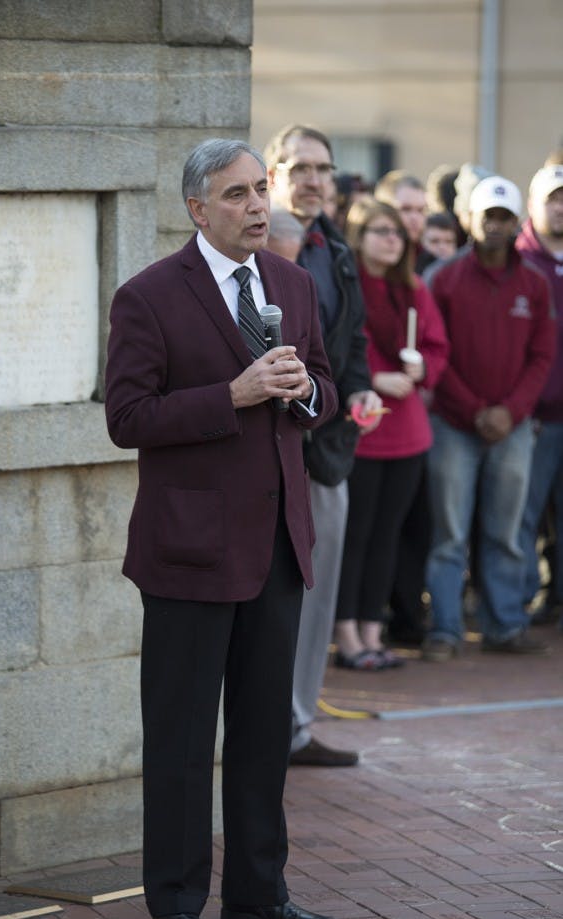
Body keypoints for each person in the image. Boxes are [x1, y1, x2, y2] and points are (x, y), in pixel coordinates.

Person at [104, 138, 339, 919]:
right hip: (190, 549)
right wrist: (229, 396)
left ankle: (259, 891)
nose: (257, 206)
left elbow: (324, 384)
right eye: (237, 194)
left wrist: (307, 392)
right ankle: (175, 900)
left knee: (264, 730)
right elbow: (126, 418)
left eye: (261, 189)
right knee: (180, 733)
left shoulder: (292, 284)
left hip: (276, 544)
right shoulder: (148, 297)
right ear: (197, 209)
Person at [264, 124, 381, 766]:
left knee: (317, 594)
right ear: (273, 174)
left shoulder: (335, 248)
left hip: (329, 447)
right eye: (300, 167)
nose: (314, 180)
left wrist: (359, 391)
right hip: (265, 450)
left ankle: (295, 728)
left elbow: (353, 340)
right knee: (267, 593)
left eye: (324, 169)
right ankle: (258, 728)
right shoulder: (258, 245)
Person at [424, 175, 556, 660]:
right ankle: (446, 629)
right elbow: (435, 353)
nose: (496, 225)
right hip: (453, 425)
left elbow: (542, 355)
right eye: (488, 217)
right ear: (470, 220)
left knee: (506, 531)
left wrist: (511, 411)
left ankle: (504, 625)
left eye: (504, 217)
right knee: (449, 535)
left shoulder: (534, 283)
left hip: (513, 428)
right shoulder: (444, 279)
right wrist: (476, 410)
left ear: (518, 222)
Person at [334, 197, 448, 668]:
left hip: (408, 432)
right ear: (359, 236)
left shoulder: (414, 288)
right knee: (355, 535)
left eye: (397, 232)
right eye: (380, 231)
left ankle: (373, 632)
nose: (391, 240)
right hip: (364, 429)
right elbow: (337, 348)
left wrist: (423, 369)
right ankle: (346, 636)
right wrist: (373, 378)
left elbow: (437, 347)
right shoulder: (346, 285)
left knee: (388, 536)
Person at [516, 164, 563, 625]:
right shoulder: (517, 260)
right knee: (523, 518)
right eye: (553, 198)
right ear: (533, 205)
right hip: (533, 416)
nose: (561, 207)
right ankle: (522, 603)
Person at [374, 170, 427, 268]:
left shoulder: (432, 264)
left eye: (420, 210)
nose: (415, 217)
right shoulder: (367, 263)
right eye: (406, 209)